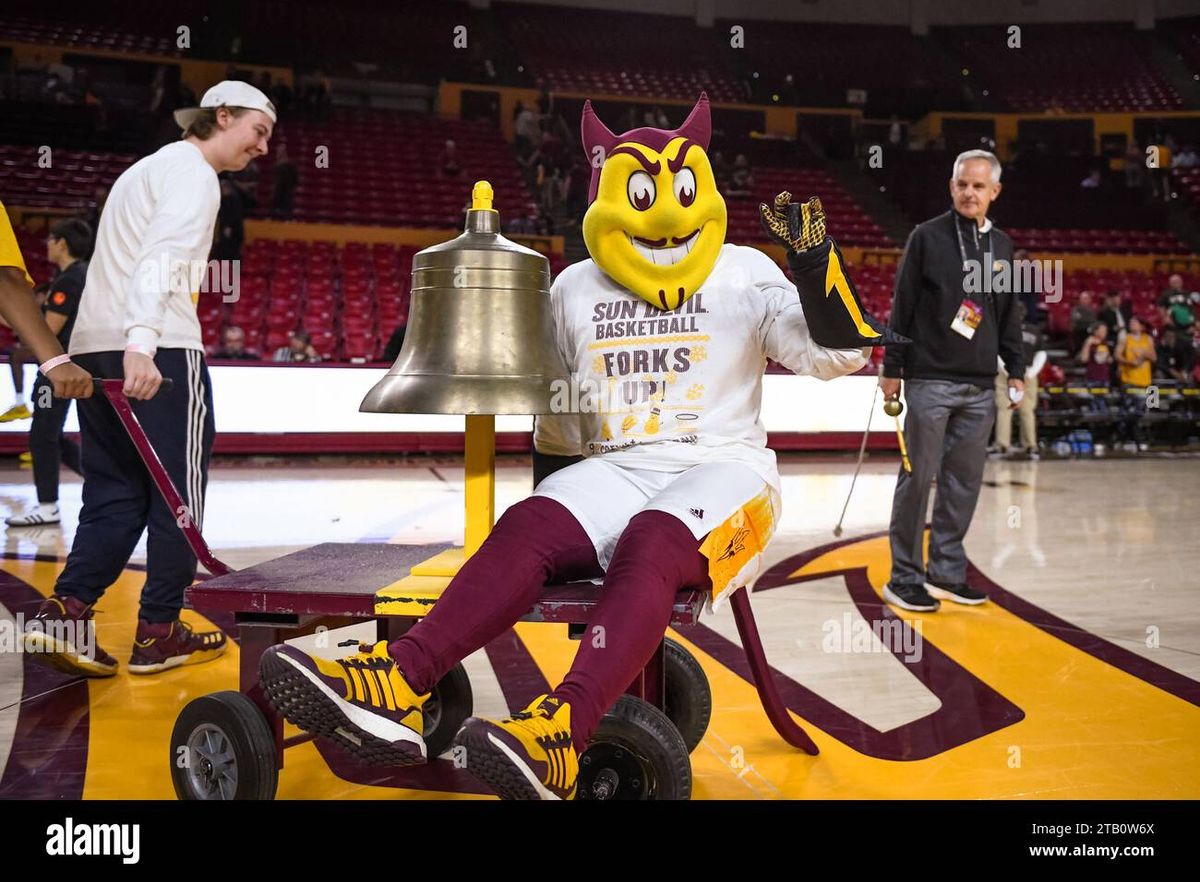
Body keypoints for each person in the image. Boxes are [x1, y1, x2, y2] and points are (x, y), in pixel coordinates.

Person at [257, 93, 898, 801]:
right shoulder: (573, 287)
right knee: (528, 526)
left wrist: (814, 262)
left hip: (727, 469)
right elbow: (559, 421)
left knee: (651, 541)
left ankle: (561, 732)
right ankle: (397, 681)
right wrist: (556, 529)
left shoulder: (744, 269)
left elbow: (839, 358)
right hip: (617, 465)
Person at [21, 80, 276, 678]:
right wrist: (143, 343)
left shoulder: (145, 168)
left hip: (94, 346)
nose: (263, 148)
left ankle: (67, 611)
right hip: (155, 350)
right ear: (221, 116)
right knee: (176, 496)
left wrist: (123, 343)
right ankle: (159, 630)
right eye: (258, 132)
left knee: (112, 493)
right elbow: (161, 258)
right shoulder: (194, 174)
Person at [880, 149, 1025, 613]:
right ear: (952, 186)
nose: (969, 193)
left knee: (963, 484)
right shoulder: (926, 237)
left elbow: (1008, 314)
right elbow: (901, 306)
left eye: (979, 186)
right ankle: (904, 577)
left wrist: (1016, 369)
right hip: (928, 379)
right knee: (917, 479)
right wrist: (891, 368)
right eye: (962, 184)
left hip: (981, 385)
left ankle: (946, 570)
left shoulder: (1001, 246)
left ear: (994, 192)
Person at [7, 219, 92, 527]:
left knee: (42, 435)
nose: (46, 245)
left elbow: (47, 331)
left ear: (61, 243)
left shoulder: (70, 280)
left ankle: (47, 506)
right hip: (74, 365)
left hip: (57, 369)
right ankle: (105, 482)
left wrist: (20, 318)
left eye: (50, 240)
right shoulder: (81, 276)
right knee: (53, 434)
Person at [993, 311, 1045, 458]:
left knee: (1005, 410)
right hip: (1027, 372)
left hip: (1006, 371)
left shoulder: (1001, 327)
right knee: (1027, 411)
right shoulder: (1033, 330)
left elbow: (996, 351)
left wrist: (1007, 370)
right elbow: (1042, 354)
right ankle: (1030, 446)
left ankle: (1002, 446)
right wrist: (1031, 374)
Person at [270, 144, 298, 218]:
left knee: (286, 207)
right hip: (279, 190)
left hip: (287, 190)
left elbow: (295, 178)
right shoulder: (277, 165)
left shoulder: (290, 166)